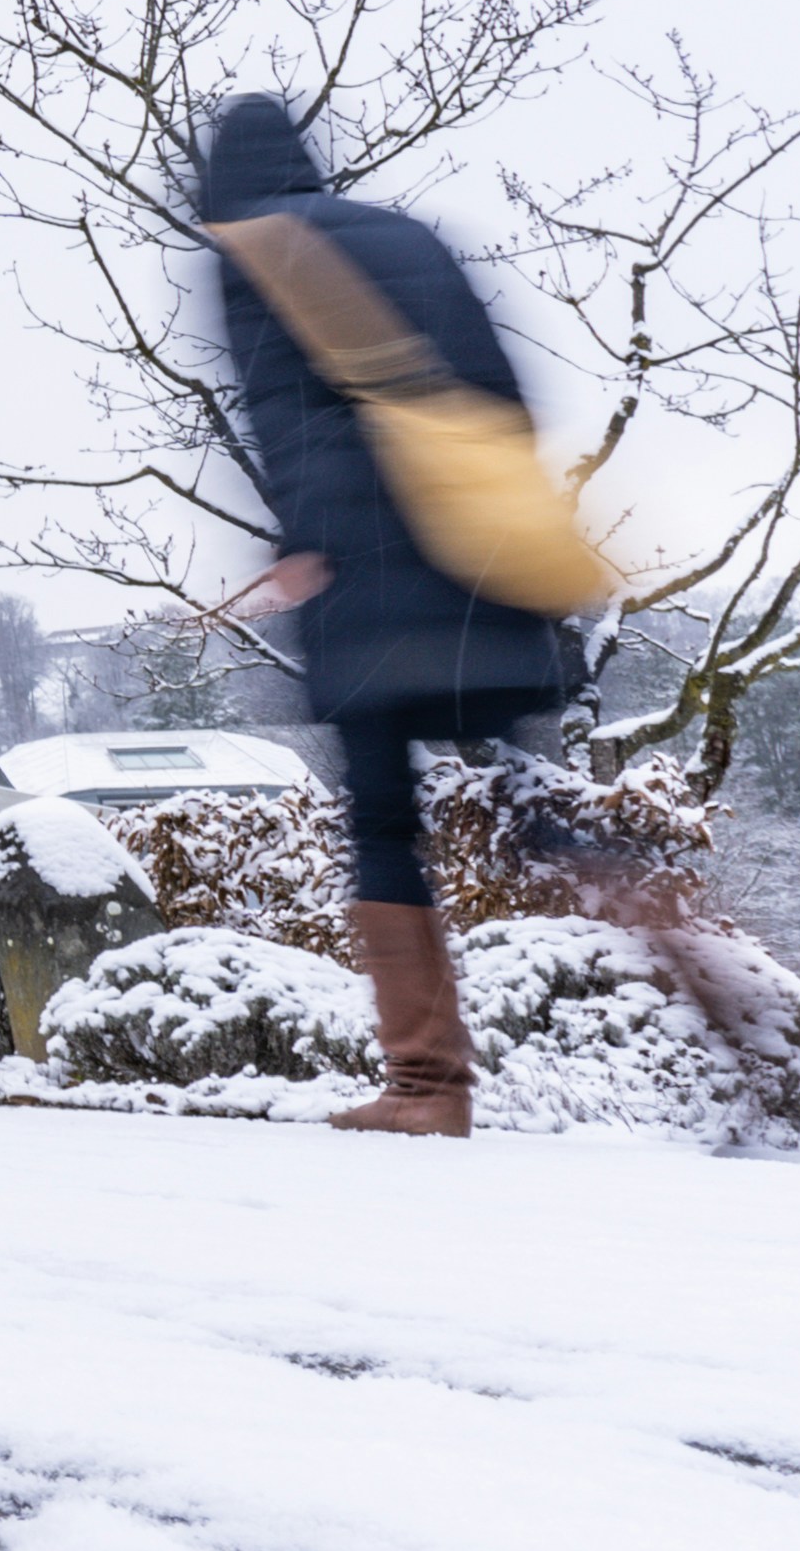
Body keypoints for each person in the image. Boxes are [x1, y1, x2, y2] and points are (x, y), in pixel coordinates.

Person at [189, 93, 582, 1138]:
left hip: (368, 575)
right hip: (481, 554)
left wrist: (309, 540)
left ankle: (427, 1085)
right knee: (533, 803)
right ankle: (711, 974)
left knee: (382, 815)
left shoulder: (253, 251)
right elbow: (503, 391)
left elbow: (293, 418)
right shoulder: (405, 234)